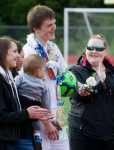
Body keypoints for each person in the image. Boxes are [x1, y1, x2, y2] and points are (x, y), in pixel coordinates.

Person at [68, 34, 114, 150]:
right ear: (85, 49)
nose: (94, 51)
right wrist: (97, 80)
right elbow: (79, 95)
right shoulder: (74, 71)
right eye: (90, 47)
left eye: (98, 48)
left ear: (106, 51)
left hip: (113, 135)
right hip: (84, 135)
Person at [23, 5, 69, 150]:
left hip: (59, 112)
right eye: (49, 25)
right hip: (41, 121)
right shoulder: (28, 52)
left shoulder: (53, 47)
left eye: (54, 23)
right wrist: (47, 123)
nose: (54, 27)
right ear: (36, 29)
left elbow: (64, 76)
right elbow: (29, 95)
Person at [0, 37, 51, 150]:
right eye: (14, 52)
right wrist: (27, 113)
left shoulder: (9, 75)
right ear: (3, 53)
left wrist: (37, 110)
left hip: (12, 138)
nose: (18, 56)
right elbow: (2, 116)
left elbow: (16, 104)